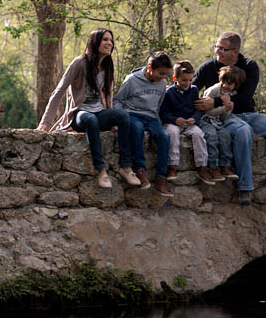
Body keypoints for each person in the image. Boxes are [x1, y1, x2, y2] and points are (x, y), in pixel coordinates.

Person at [192, 32, 266, 206]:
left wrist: (214, 101)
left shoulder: (249, 66)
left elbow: (244, 98)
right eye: (216, 47)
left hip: (250, 114)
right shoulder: (207, 67)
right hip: (225, 117)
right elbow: (191, 91)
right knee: (244, 132)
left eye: (222, 49)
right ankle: (245, 188)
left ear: (235, 51)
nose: (217, 51)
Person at [38, 29, 141, 189]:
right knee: (90, 119)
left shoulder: (107, 65)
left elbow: (109, 94)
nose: (109, 43)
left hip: (100, 112)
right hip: (80, 114)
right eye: (105, 39)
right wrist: (46, 122)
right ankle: (101, 170)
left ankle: (126, 168)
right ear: (95, 42)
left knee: (123, 116)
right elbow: (59, 91)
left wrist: (112, 119)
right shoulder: (80, 62)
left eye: (111, 40)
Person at [114, 51, 174, 197]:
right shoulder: (132, 80)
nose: (163, 77)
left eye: (166, 74)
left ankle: (161, 177)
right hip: (132, 114)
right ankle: (139, 169)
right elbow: (118, 100)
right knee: (137, 129)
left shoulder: (162, 83)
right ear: (150, 68)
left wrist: (160, 123)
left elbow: (158, 105)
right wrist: (120, 118)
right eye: (161, 73)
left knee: (164, 136)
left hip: (151, 116)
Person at [159, 60, 214, 185]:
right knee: (172, 133)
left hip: (189, 123)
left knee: (198, 134)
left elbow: (198, 109)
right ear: (175, 78)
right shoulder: (169, 93)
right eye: (184, 80)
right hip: (173, 122)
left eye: (190, 80)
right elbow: (163, 113)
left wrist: (194, 119)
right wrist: (174, 120)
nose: (188, 83)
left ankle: (202, 166)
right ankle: (172, 166)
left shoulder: (194, 90)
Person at [199, 65, 245, 184]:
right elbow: (207, 111)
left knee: (225, 136)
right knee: (212, 137)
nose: (225, 85)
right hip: (205, 120)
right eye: (224, 81)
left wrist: (228, 109)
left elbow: (224, 117)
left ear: (235, 85)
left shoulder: (231, 94)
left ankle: (225, 165)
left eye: (229, 84)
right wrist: (224, 108)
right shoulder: (213, 90)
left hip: (217, 121)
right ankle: (213, 167)